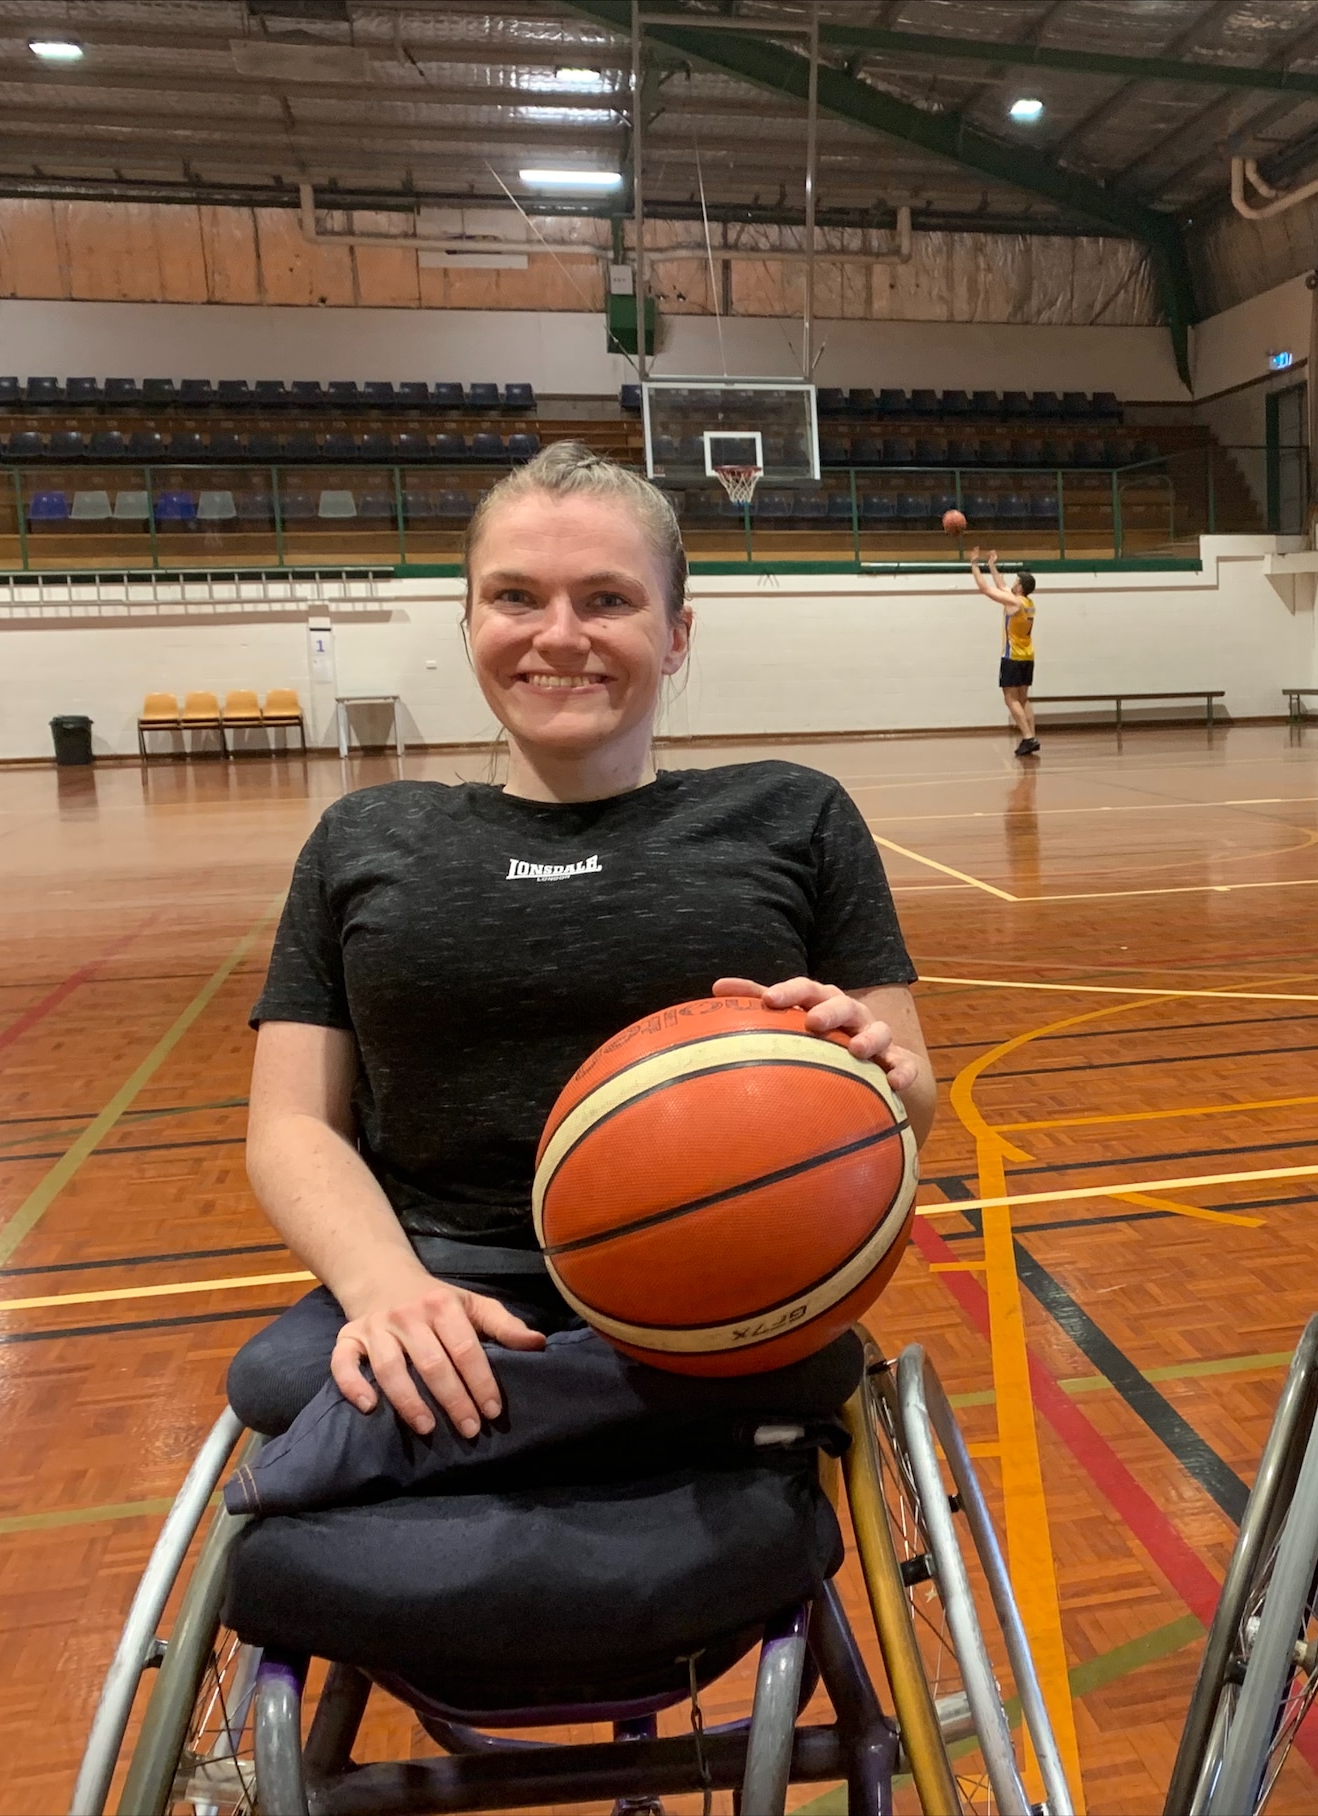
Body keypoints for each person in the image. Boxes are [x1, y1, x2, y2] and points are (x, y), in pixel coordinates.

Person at [234, 440, 936, 1442]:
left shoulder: (794, 816)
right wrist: (386, 1288)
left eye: (607, 600)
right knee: (277, 1384)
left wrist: (876, 1072)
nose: (558, 636)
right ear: (470, 620)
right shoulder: (364, 836)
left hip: (720, 1282)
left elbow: (911, 1107)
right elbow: (291, 1125)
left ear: (678, 632)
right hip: (439, 1279)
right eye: (516, 596)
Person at [970, 547, 1039, 757]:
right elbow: (1002, 586)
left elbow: (986, 589)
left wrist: (974, 565)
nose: (1014, 582)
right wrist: (991, 565)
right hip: (1028, 655)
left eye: (1016, 581)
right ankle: (1032, 737)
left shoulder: (1014, 602)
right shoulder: (1028, 602)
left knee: (1010, 699)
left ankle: (1027, 737)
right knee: (1024, 698)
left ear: (1020, 587)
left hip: (1013, 656)